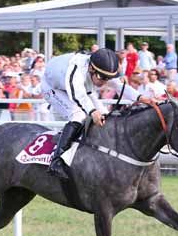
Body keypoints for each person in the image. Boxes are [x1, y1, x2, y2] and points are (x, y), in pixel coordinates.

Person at [41, 48, 156, 179]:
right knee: (79, 115)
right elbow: (78, 95)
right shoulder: (77, 70)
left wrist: (141, 98)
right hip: (54, 88)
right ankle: (56, 161)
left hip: (82, 89)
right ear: (91, 68)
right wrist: (92, 111)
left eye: (108, 78)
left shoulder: (101, 70)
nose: (104, 82)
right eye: (102, 78)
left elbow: (120, 87)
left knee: (105, 115)